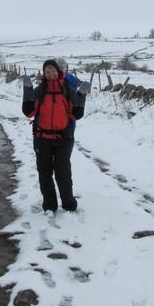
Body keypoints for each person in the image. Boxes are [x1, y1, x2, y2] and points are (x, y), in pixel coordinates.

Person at [21, 59, 90, 213]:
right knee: (44, 174)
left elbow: (76, 114)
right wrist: (27, 90)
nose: (50, 73)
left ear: (58, 71)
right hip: (42, 139)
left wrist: (81, 95)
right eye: (47, 71)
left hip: (62, 139)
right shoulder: (40, 90)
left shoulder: (67, 89)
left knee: (63, 173)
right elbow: (28, 111)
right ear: (43, 74)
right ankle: (49, 206)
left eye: (52, 70)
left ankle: (68, 204)